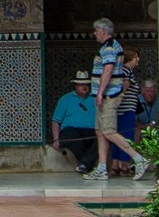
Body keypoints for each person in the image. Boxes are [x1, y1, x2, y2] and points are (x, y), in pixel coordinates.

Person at [88, 18, 147, 181]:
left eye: (96, 30)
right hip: (105, 95)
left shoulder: (109, 47)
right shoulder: (111, 46)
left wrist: (100, 93)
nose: (95, 34)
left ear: (103, 31)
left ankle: (138, 159)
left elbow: (108, 69)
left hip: (109, 95)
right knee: (100, 132)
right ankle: (101, 168)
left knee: (109, 131)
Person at [50, 70, 99, 174]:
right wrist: (55, 139)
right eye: (81, 85)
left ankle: (84, 164)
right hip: (71, 130)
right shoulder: (65, 99)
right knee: (70, 136)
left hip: (91, 130)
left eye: (86, 84)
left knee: (102, 139)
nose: (84, 87)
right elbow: (56, 121)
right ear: (76, 86)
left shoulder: (95, 98)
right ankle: (86, 163)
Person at [109, 51, 145, 177]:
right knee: (126, 137)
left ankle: (115, 166)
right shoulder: (127, 70)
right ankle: (124, 166)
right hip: (126, 109)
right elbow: (124, 85)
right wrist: (120, 98)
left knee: (117, 137)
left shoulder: (121, 70)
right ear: (129, 59)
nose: (138, 59)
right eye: (136, 57)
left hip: (120, 109)